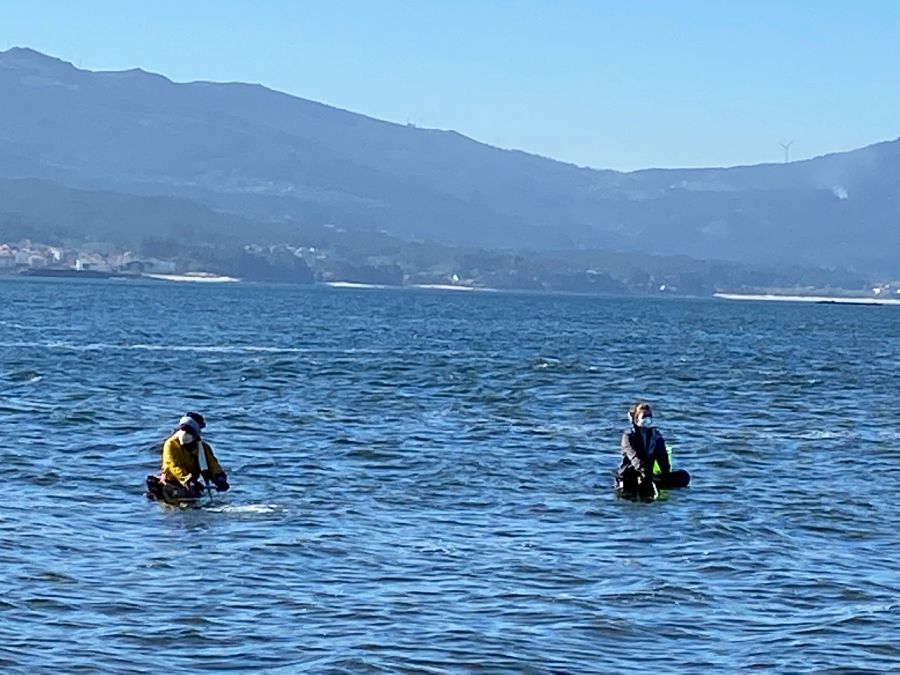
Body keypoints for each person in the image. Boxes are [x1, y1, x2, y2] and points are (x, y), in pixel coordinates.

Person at [146, 411, 230, 501]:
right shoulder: (170, 445)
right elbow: (174, 466)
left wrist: (219, 478)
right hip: (171, 485)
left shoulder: (202, 448)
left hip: (190, 488)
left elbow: (212, 464)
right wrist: (189, 481)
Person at [615, 401, 690, 501]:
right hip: (631, 473)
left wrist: (665, 473)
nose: (647, 419)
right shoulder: (628, 436)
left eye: (649, 416)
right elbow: (633, 456)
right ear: (636, 418)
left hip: (649, 475)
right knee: (630, 475)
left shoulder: (656, 436)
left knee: (683, 476)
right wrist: (642, 470)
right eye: (644, 416)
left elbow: (662, 457)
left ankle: (652, 484)